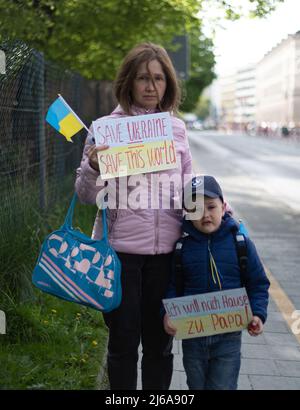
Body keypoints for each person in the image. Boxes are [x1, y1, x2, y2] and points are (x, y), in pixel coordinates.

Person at [75, 43, 193, 390]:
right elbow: (86, 195)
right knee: (123, 344)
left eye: (158, 78)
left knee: (160, 345)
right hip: (119, 255)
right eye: (143, 77)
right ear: (129, 81)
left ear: (168, 83)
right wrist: (93, 166)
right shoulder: (105, 130)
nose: (151, 86)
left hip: (167, 255)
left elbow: (188, 187)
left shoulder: (177, 130)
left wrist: (216, 212)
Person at [163, 175, 270, 390]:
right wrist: (167, 313)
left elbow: (258, 284)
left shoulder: (241, 244)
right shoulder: (181, 249)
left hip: (228, 338)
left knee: (223, 386)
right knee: (196, 386)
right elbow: (173, 286)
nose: (205, 215)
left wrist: (257, 314)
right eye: (196, 209)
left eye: (211, 206)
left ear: (223, 206)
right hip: (193, 338)